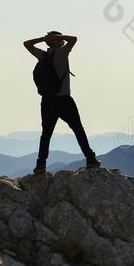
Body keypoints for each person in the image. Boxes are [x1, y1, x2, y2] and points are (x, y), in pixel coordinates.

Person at [23, 31, 101, 174]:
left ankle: (40, 166)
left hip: (47, 101)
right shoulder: (63, 52)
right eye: (61, 41)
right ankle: (90, 159)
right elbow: (74, 39)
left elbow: (26, 44)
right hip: (64, 100)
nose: (63, 42)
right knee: (78, 129)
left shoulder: (42, 55)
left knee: (46, 134)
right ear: (58, 42)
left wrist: (45, 39)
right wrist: (57, 38)